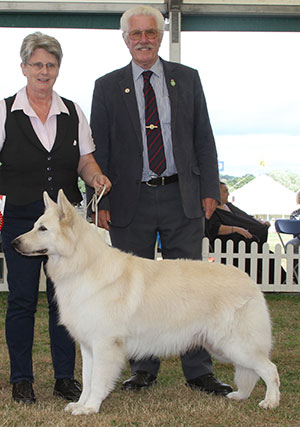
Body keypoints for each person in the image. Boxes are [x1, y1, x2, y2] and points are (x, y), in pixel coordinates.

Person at [88, 5, 232, 396]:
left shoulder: (187, 79)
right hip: (127, 201)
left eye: (150, 32)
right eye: (135, 34)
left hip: (182, 197)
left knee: (190, 288)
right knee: (131, 293)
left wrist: (208, 190)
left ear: (160, 35)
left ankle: (199, 370)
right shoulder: (106, 85)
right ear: (125, 39)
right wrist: (99, 201)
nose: (143, 40)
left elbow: (204, 136)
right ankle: (142, 369)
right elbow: (96, 147)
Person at [0, 32, 111, 404]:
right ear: (23, 68)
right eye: (37, 65)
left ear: (58, 69)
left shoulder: (73, 112)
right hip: (21, 219)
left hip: (65, 226)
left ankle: (65, 379)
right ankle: (21, 379)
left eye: (50, 65)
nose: (44, 71)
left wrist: (94, 176)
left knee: (67, 301)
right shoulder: (4, 111)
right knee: (22, 300)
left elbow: (84, 159)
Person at [206, 182, 285, 283]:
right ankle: (282, 280)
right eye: (225, 191)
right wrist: (237, 229)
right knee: (262, 252)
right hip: (230, 244)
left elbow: (245, 217)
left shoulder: (229, 206)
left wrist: (259, 222)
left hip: (245, 242)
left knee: (267, 254)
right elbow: (215, 228)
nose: (228, 194)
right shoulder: (212, 211)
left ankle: (281, 279)